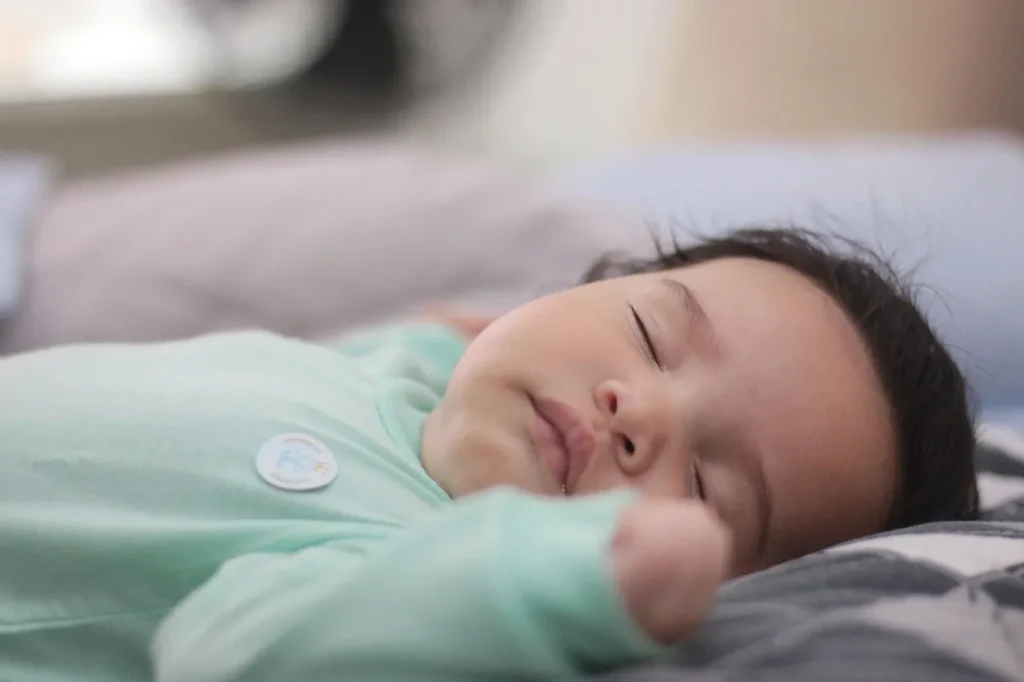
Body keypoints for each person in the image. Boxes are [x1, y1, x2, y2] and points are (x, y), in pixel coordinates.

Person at [0, 228, 977, 682]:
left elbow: (232, 653)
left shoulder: (404, 561)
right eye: (647, 332)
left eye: (702, 483)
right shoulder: (402, 382)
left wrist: (564, 580)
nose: (637, 411)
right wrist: (442, 345)